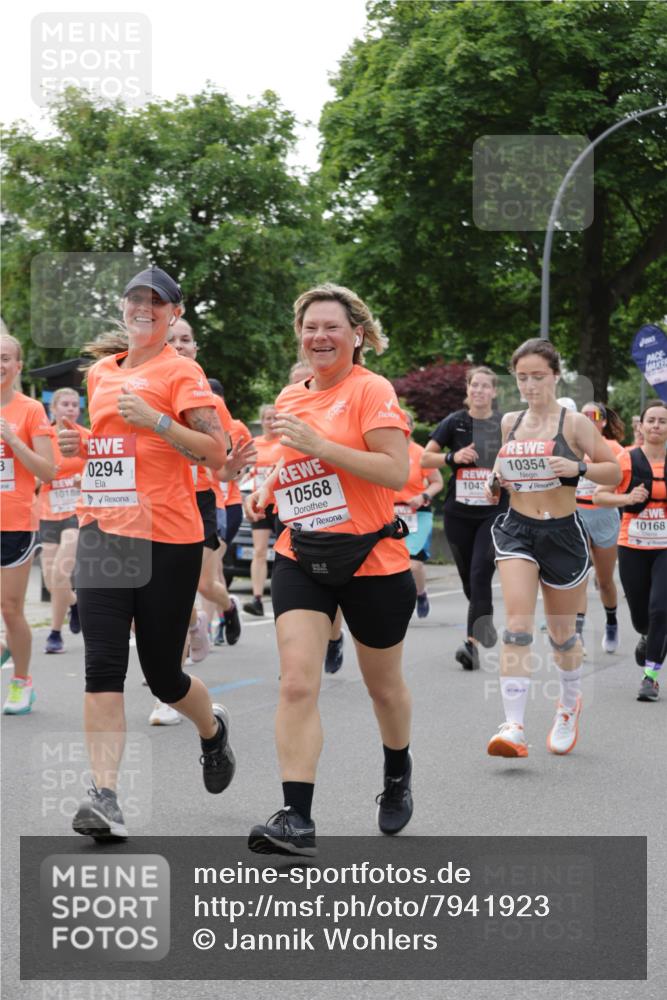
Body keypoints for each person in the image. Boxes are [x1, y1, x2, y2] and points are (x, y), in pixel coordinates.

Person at [58, 266, 235, 838]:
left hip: (168, 537)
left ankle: (212, 731)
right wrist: (83, 446)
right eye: (136, 299)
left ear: (174, 314)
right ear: (123, 307)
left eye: (157, 303)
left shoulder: (182, 371)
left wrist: (158, 419)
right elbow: (116, 452)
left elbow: (216, 452)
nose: (145, 308)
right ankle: (104, 796)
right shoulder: (101, 375)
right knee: (102, 669)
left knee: (163, 677)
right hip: (105, 532)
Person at [245, 283, 416, 856]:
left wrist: (322, 443)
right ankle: (297, 818)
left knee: (383, 688)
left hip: (372, 557)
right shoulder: (291, 397)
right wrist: (266, 487)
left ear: (357, 335)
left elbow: (394, 473)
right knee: (296, 683)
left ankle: (396, 772)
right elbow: (293, 462)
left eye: (332, 327)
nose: (320, 336)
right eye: (310, 327)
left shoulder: (373, 390)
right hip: (302, 553)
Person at [485, 338, 621, 758]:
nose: (529, 385)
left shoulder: (574, 422)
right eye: (522, 377)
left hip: (563, 534)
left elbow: (613, 471)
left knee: (563, 638)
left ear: (555, 376)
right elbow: (500, 471)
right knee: (518, 625)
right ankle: (514, 726)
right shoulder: (510, 422)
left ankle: (567, 705)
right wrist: (495, 484)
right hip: (518, 530)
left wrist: (577, 467)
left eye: (538, 377)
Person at [422, 366, 507, 669]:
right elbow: (424, 458)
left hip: (494, 512)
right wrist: (452, 457)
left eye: (486, 386)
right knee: (470, 583)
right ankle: (484, 622)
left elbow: (518, 460)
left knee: (480, 574)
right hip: (458, 514)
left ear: (494, 392)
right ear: (468, 390)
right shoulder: (454, 422)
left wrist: (503, 477)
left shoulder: (504, 424)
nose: (480, 391)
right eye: (475, 385)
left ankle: (470, 646)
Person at [593, 401, 667, 702]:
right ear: (641, 426)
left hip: (665, 547)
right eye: (651, 420)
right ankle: (647, 636)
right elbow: (599, 496)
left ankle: (650, 677)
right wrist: (626, 498)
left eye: (663, 421)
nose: (657, 426)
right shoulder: (625, 459)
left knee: (661, 608)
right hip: (632, 544)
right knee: (640, 614)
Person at [1, 332, 56, 714]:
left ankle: (22, 681)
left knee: (9, 607)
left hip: (14, 521)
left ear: (17, 366)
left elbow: (49, 470)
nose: (0, 364)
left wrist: (14, 442)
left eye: (6, 358)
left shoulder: (31, 410)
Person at [289, 359, 345, 673]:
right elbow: (287, 460)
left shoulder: (337, 409)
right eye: (298, 382)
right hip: (293, 510)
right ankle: (297, 661)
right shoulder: (289, 402)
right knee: (297, 587)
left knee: (328, 586)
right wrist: (265, 490)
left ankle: (334, 636)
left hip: (334, 513)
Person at [39, 388, 87, 653]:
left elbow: (97, 469)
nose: (70, 408)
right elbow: (33, 473)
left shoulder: (86, 436)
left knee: (60, 572)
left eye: (74, 405)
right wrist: (43, 475)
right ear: (53, 408)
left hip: (74, 512)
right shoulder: (43, 437)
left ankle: (54, 634)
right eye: (64, 404)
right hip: (46, 513)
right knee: (50, 580)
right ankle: (75, 603)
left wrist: (84, 479)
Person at [575, 402, 625, 653]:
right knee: (579, 577)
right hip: (577, 513)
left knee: (604, 581)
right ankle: (577, 635)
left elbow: (620, 479)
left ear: (603, 421)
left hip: (604, 515)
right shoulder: (571, 445)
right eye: (582, 415)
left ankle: (612, 622)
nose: (587, 419)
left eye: (593, 415)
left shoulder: (614, 448)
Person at [394, 412, 443, 617]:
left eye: (405, 425)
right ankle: (396, 603)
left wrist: (422, 496)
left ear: (411, 428)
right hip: (390, 513)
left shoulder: (420, 453)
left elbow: (437, 482)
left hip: (417, 513)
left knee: (413, 564)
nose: (401, 429)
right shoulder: (383, 452)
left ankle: (421, 593)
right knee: (393, 563)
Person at [242, 404, 283, 617]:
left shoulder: (284, 444)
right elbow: (246, 470)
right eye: (268, 418)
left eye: (275, 418)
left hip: (280, 504)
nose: (271, 422)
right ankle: (257, 598)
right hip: (260, 503)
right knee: (258, 552)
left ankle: (282, 598)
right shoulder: (255, 444)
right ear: (262, 421)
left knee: (283, 552)